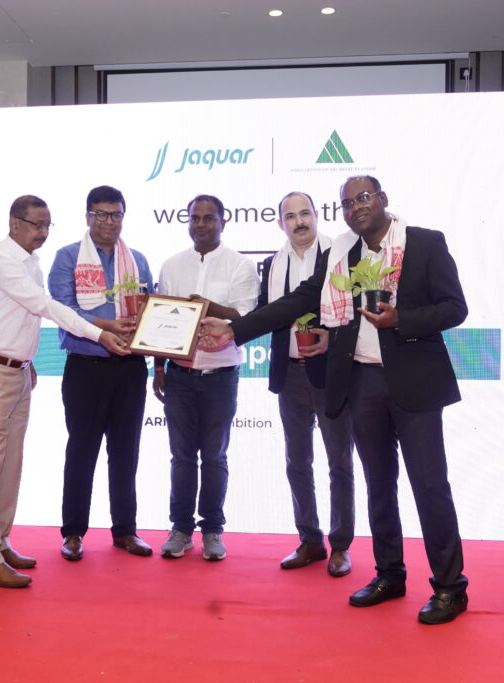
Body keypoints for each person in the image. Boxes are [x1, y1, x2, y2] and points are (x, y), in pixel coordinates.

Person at [199, 176, 470, 623]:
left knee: (429, 486)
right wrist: (234, 330)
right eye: (346, 203)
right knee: (379, 485)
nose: (355, 207)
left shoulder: (424, 243)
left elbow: (454, 308)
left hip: (416, 383)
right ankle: (389, 574)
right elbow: (299, 300)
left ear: (382, 199)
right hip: (361, 382)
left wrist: (401, 318)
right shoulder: (342, 254)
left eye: (363, 197)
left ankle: (449, 586)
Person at [0, 195, 129, 588]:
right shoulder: (1, 260)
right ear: (14, 223)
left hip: (16, 371)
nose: (42, 232)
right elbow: (44, 306)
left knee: (10, 465)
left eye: (47, 225)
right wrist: (99, 333)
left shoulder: (31, 261)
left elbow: (18, 318)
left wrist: (27, 358)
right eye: (36, 224)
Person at [48, 185, 154, 561]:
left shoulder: (137, 261)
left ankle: (125, 530)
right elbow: (63, 309)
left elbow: (150, 312)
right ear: (88, 216)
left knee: (126, 452)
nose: (110, 222)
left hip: (130, 369)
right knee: (82, 450)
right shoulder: (67, 258)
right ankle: (73, 532)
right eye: (101, 214)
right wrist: (107, 327)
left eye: (116, 214)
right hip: (86, 367)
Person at [154, 195, 259, 561]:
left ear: (222, 222)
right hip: (179, 375)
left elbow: (246, 317)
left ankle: (213, 529)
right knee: (181, 456)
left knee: (214, 456)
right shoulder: (171, 265)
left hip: (220, 375)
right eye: (195, 218)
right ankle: (181, 528)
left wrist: (205, 305)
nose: (200, 224)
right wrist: (158, 367)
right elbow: (160, 322)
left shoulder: (241, 265)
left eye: (208, 218)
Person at [263, 192, 355, 576]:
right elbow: (265, 314)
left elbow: (355, 315)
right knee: (297, 463)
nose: (299, 222)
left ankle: (341, 545)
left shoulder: (339, 256)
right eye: (290, 216)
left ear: (317, 215)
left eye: (305, 213)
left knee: (339, 463)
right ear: (280, 223)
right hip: (289, 374)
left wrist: (332, 339)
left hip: (331, 374)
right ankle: (310, 540)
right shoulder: (271, 264)